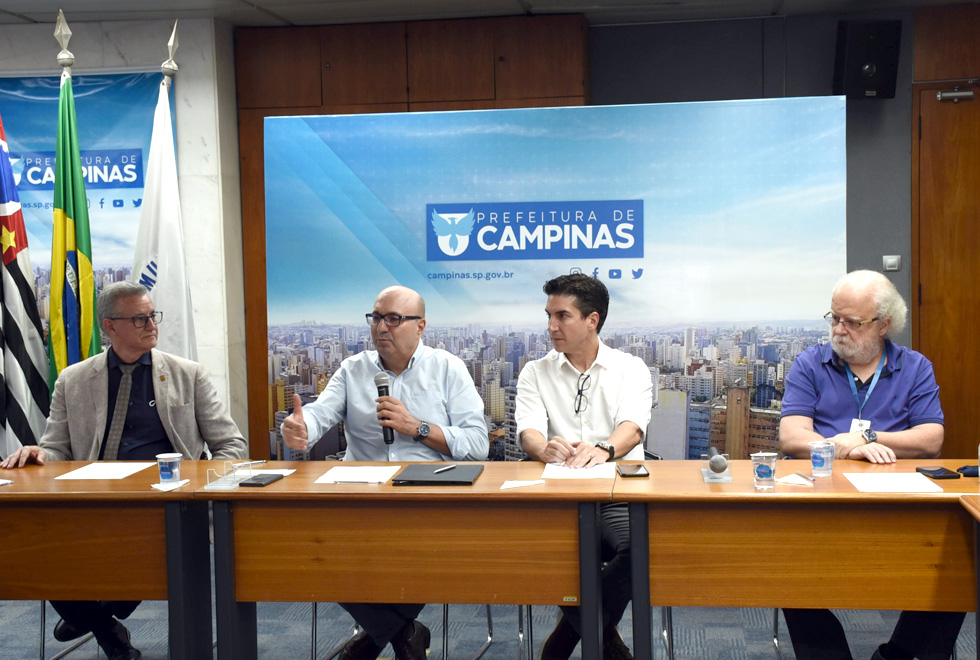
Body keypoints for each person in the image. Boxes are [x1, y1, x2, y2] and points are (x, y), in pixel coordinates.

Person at [0, 281, 247, 660]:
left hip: (166, 500)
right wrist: (37, 453)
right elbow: (56, 448)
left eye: (152, 316)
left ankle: (98, 623)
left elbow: (231, 445)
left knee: (151, 548)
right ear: (110, 326)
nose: (151, 325)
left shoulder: (187, 374)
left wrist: (199, 480)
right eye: (139, 319)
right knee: (39, 543)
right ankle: (103, 623)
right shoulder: (74, 379)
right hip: (93, 498)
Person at [281, 285, 488, 660]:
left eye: (394, 319)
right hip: (362, 491)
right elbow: (318, 414)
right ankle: (404, 631)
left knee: (440, 551)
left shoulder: (447, 368)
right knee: (312, 549)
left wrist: (418, 428)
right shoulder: (352, 369)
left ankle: (379, 634)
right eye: (376, 318)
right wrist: (300, 428)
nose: (381, 328)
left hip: (429, 493)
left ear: (420, 326)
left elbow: (478, 444)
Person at [779, 269, 963, 660]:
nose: (839, 329)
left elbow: (932, 437)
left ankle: (899, 654)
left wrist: (870, 437)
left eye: (852, 322)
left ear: (884, 325)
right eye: (834, 318)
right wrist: (845, 447)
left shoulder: (915, 367)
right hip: (819, 501)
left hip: (898, 504)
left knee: (957, 566)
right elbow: (792, 436)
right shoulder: (809, 363)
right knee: (786, 566)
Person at [514, 273, 652, 660]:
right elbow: (529, 433)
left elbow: (633, 427)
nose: (551, 326)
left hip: (616, 492)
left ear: (592, 320)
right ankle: (607, 642)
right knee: (541, 555)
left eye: (562, 316)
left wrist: (605, 449)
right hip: (557, 495)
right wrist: (545, 449)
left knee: (636, 549)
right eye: (549, 315)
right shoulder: (534, 372)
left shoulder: (631, 368)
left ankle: (567, 636)